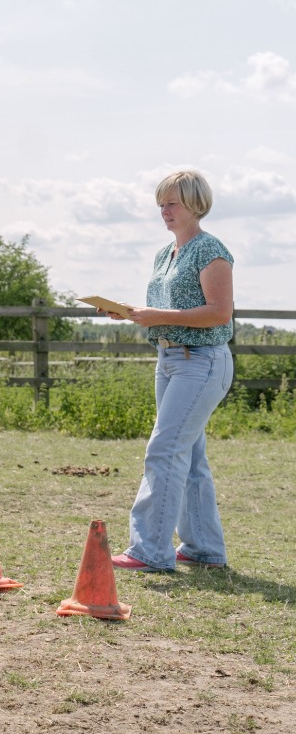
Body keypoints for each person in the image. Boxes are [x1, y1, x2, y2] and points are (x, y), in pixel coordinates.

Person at [104, 170, 235, 572]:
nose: (164, 210)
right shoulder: (166, 254)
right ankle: (203, 549)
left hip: (202, 361)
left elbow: (219, 313)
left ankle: (149, 551)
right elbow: (168, 313)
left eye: (172, 202)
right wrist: (131, 314)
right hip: (170, 360)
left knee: (164, 451)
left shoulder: (211, 251)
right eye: (161, 203)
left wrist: (156, 314)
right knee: (190, 457)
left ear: (195, 204)